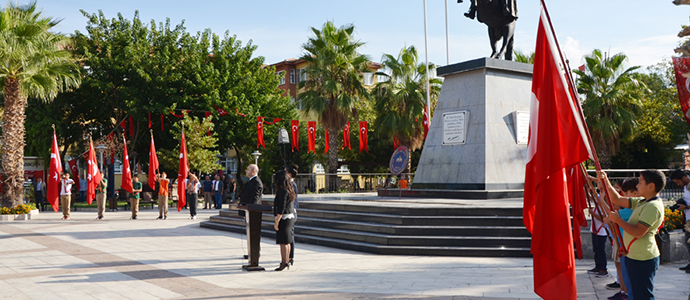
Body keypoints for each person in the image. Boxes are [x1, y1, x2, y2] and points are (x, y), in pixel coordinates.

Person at [599, 170, 666, 300]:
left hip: (643, 258)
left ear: (651, 186)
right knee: (635, 293)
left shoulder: (653, 206)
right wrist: (605, 180)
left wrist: (618, 220)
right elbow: (617, 199)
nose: (637, 186)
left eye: (640, 182)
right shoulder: (642, 201)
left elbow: (638, 232)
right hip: (633, 255)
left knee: (643, 295)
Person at [606, 178, 636, 300]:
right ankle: (625, 293)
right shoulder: (634, 205)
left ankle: (626, 293)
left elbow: (609, 217)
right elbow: (615, 202)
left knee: (632, 281)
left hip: (631, 249)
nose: (622, 194)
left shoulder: (634, 208)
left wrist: (616, 219)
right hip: (624, 246)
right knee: (624, 273)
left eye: (625, 192)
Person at [273, 170, 296, 271]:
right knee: (287, 242)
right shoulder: (290, 188)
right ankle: (286, 261)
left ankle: (283, 262)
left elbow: (281, 207)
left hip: (284, 217)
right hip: (290, 216)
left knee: (283, 242)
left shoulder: (282, 190)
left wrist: (276, 221)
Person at [670, 169, 690, 273]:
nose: (678, 185)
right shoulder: (686, 187)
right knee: (688, 242)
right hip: (688, 219)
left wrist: (686, 206)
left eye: (678, 182)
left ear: (683, 178)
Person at [587, 196, 609, 278]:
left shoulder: (604, 208)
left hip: (601, 231)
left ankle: (603, 269)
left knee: (600, 250)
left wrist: (592, 213)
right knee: (596, 249)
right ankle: (598, 266)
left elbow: (603, 218)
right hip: (595, 230)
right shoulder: (597, 206)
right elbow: (590, 197)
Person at [286, 165, 299, 266]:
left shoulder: (292, 184)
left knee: (291, 234)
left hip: (291, 212)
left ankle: (291, 256)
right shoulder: (290, 183)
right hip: (291, 211)